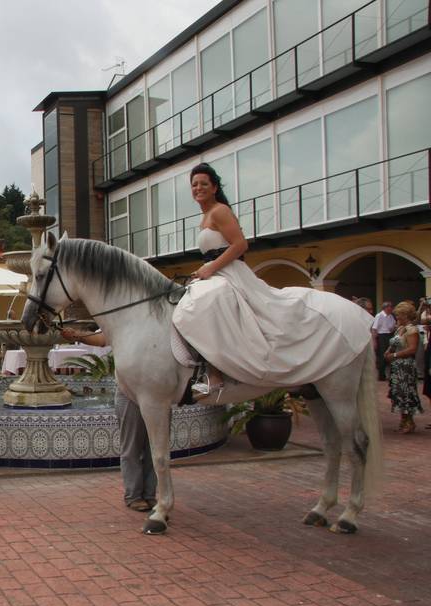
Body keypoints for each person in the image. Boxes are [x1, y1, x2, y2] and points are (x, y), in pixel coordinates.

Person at [171, 163, 372, 397]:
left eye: (203, 183)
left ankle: (216, 374)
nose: (198, 188)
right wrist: (204, 270)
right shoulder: (205, 216)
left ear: (214, 187)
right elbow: (216, 249)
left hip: (230, 273)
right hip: (216, 272)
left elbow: (240, 245)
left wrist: (211, 268)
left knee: (205, 304)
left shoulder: (219, 211)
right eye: (194, 184)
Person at [61, 327, 156, 511]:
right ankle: (134, 495)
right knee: (132, 446)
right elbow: (102, 338)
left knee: (155, 448)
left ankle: (151, 494)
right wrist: (77, 335)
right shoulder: (125, 322)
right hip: (129, 391)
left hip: (156, 392)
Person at [385, 302, 423, 433]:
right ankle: (403, 419)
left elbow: (412, 349)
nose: (397, 317)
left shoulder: (412, 330)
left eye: (399, 315)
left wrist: (394, 354)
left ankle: (409, 421)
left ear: (405, 315)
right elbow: (394, 343)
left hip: (406, 366)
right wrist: (388, 352)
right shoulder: (399, 329)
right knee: (398, 393)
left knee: (406, 393)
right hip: (397, 366)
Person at [372, 301, 396, 381]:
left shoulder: (391, 316)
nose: (391, 309)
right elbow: (374, 328)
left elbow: (392, 327)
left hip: (389, 335)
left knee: (389, 355)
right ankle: (381, 376)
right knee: (382, 356)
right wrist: (374, 340)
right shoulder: (379, 315)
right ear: (385, 308)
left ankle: (390, 375)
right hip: (381, 336)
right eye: (390, 307)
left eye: (391, 307)